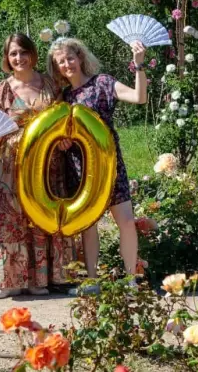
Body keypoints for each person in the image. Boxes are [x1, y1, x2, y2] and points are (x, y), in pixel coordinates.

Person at [47, 37, 146, 295]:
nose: (67, 64)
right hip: (79, 167)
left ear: (80, 57)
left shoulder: (102, 82)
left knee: (125, 221)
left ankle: (130, 279)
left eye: (70, 58)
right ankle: (92, 281)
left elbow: (139, 97)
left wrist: (139, 66)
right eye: (61, 62)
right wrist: (62, 143)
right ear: (56, 67)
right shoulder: (63, 97)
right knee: (87, 225)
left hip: (109, 163)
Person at [0, 33, 75, 299]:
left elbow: (64, 120)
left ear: (32, 54)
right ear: (7, 58)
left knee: (41, 213)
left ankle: (41, 278)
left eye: (23, 52)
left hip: (47, 163)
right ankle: (9, 279)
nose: (18, 58)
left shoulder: (51, 86)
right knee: (10, 217)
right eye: (13, 54)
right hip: (10, 165)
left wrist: (65, 139)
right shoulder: (1, 90)